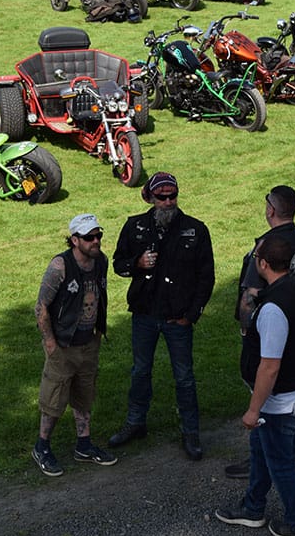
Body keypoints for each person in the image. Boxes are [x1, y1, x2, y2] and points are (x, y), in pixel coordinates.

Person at [215, 233, 295, 536]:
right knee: (261, 451)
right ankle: (253, 507)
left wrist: (253, 410)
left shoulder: (273, 308)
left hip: (278, 402)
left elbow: (269, 367)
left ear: (263, 264)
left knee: (281, 464)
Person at [109, 172, 215, 461]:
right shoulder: (134, 226)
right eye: (162, 197)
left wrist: (191, 315)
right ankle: (135, 423)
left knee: (184, 377)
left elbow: (206, 277)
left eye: (172, 196)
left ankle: (190, 432)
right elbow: (118, 264)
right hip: (144, 314)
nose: (168, 202)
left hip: (178, 318)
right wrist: (137, 263)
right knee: (140, 371)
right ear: (150, 198)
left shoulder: (196, 229)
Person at [225, 185, 295, 480]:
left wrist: (247, 334)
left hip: (270, 329)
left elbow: (250, 296)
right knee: (292, 394)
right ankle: (285, 453)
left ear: (270, 210)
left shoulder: (264, 249)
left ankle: (265, 460)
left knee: (267, 398)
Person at [32, 214, 117, 477]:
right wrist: (50, 344)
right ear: (74, 240)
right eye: (89, 237)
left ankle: (84, 444)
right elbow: (41, 307)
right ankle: (42, 446)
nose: (96, 241)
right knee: (54, 399)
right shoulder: (60, 266)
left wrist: (98, 332)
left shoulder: (100, 261)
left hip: (88, 342)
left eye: (98, 235)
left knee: (84, 395)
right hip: (63, 345)